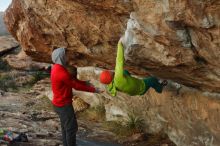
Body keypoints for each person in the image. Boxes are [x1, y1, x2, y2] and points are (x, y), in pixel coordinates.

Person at [51, 48, 101, 146]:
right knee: (71, 128)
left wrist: (85, 83)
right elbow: (75, 85)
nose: (67, 56)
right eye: (65, 54)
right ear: (61, 57)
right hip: (63, 105)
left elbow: (72, 80)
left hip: (59, 104)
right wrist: (94, 90)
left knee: (66, 128)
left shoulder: (57, 68)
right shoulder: (61, 72)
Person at [100, 39, 167, 96]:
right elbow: (119, 61)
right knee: (153, 80)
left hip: (133, 91)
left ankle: (129, 78)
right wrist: (120, 45)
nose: (110, 71)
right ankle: (159, 88)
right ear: (110, 77)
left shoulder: (112, 85)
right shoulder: (118, 78)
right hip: (141, 87)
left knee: (125, 72)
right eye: (108, 72)